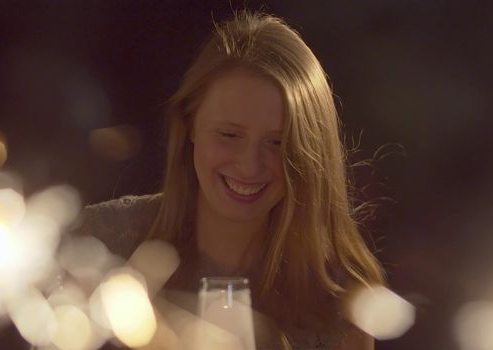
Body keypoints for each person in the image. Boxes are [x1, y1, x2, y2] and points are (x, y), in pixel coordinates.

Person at [79, 10, 385, 350]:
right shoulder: (102, 246)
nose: (250, 166)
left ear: (309, 152)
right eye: (229, 135)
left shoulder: (341, 303)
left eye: (277, 143)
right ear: (190, 125)